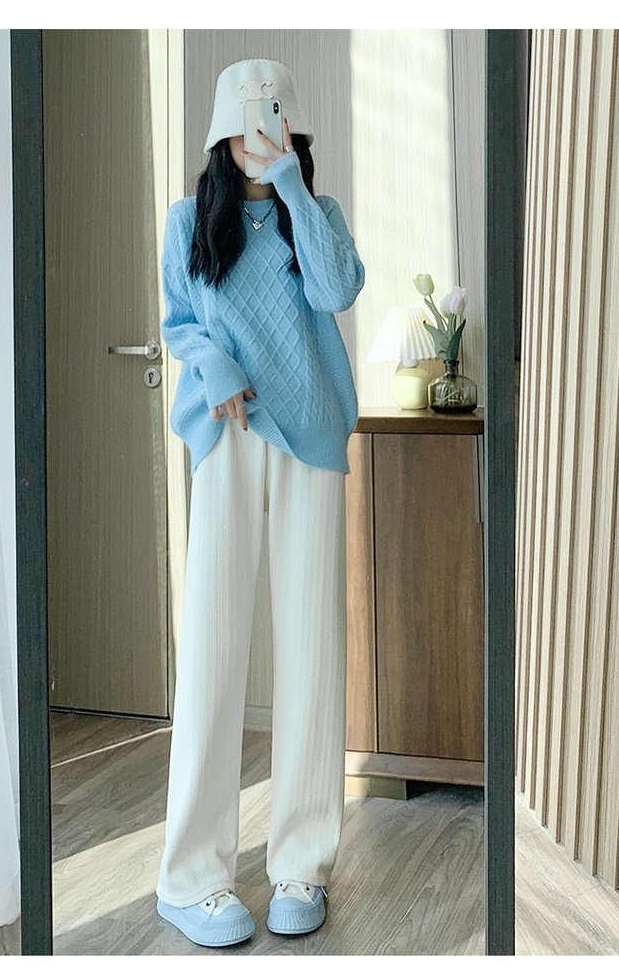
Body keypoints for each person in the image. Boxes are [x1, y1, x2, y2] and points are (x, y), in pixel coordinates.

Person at [154, 58, 365, 948]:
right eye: (245, 124)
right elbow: (179, 322)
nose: (259, 137)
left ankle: (301, 866)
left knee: (311, 645)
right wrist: (219, 369)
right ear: (219, 131)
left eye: (274, 122)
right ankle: (190, 878)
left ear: (291, 128)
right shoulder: (187, 220)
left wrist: (292, 187)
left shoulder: (314, 213)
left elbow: (336, 291)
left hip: (308, 429)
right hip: (228, 431)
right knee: (213, 644)